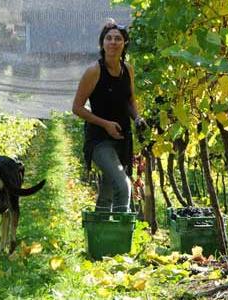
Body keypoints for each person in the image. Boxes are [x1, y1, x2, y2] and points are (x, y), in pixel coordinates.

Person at [72, 19, 146, 212]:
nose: (113, 42)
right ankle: (122, 237)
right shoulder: (94, 71)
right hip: (99, 140)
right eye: (109, 38)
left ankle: (100, 237)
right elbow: (77, 107)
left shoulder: (127, 69)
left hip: (122, 138)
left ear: (124, 44)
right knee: (123, 186)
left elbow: (129, 100)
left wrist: (137, 118)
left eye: (118, 39)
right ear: (102, 43)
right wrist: (105, 124)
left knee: (107, 194)